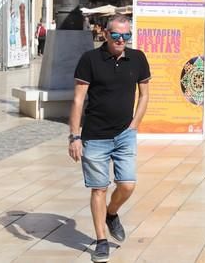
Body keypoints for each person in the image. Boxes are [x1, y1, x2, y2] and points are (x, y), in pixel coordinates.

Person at [67, 14, 151, 263]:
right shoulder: (90, 59)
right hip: (95, 137)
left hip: (125, 134)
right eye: (116, 35)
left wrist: (134, 125)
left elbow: (144, 94)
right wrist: (74, 136)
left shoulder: (138, 58)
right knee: (99, 189)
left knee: (127, 185)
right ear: (105, 34)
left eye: (126, 36)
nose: (121, 40)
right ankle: (101, 240)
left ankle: (111, 213)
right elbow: (78, 100)